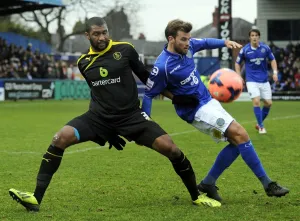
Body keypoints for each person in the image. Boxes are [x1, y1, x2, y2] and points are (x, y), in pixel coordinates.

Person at [8, 17, 221, 212]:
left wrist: (175, 97)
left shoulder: (125, 50)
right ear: (88, 36)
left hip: (131, 116)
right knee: (59, 138)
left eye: (104, 32)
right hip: (98, 117)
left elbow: (148, 78)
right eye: (97, 34)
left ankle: (196, 196)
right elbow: (97, 92)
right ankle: (35, 198)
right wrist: (107, 132)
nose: (102, 37)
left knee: (172, 149)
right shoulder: (84, 62)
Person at [142, 19, 289, 202]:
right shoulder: (162, 66)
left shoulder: (188, 47)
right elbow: (148, 94)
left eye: (188, 39)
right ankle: (268, 184)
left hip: (208, 102)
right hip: (195, 111)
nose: (188, 43)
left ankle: (208, 183)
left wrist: (224, 42)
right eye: (183, 39)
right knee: (241, 134)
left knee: (237, 143)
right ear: (171, 39)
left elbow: (204, 43)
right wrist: (145, 122)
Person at [235, 28, 278, 134]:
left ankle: (258, 124)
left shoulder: (265, 48)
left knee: (268, 103)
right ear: (250, 37)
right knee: (256, 101)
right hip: (251, 80)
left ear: (259, 37)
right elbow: (237, 63)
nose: (254, 37)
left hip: (264, 80)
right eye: (252, 35)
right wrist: (239, 76)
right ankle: (262, 127)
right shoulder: (245, 50)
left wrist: (275, 72)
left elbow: (273, 60)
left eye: (256, 35)